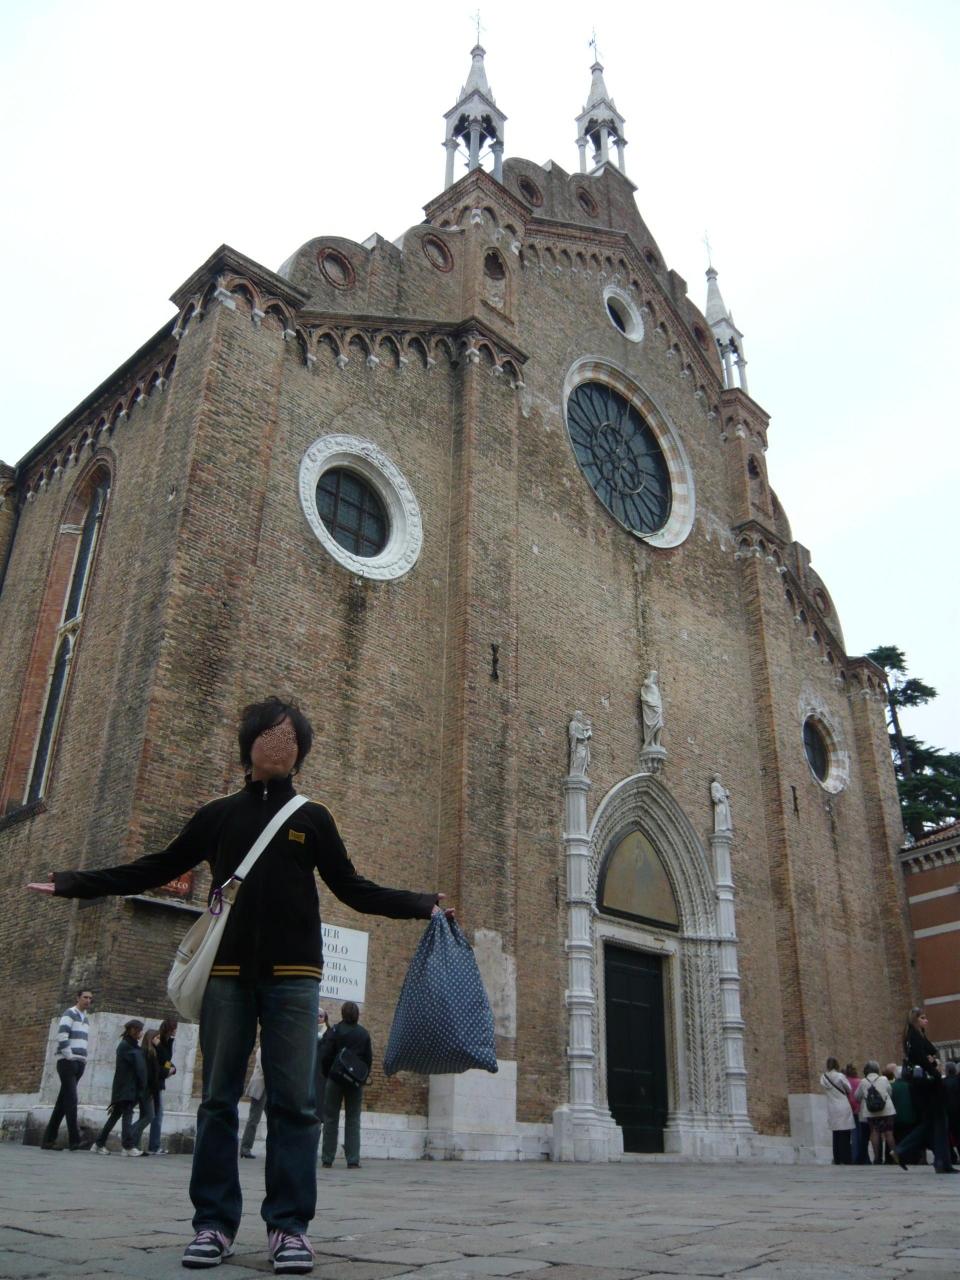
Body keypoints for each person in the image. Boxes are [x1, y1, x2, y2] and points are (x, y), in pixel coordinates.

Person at [28, 695, 448, 1274]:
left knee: (296, 1104)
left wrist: (422, 905)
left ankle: (289, 1228)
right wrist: (76, 883)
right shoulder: (219, 814)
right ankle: (214, 1224)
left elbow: (353, 888)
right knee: (219, 1100)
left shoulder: (313, 817)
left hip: (295, 978)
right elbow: (156, 867)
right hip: (225, 975)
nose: (281, 740)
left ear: (302, 750)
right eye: (270, 732)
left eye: (291, 735)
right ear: (248, 744)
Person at [894, 1007, 956, 1174]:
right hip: (929, 1086)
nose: (926, 1020)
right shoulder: (914, 1037)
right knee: (939, 1121)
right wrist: (935, 1069)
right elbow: (922, 1058)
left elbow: (930, 1053)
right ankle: (940, 1161)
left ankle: (940, 1161)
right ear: (915, 1020)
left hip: (925, 1086)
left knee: (933, 1123)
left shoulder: (916, 1035)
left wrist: (932, 1059)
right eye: (922, 1018)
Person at [319, 1002, 371, 1169]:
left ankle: (327, 1158)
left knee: (330, 1118)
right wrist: (361, 1078)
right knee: (353, 1119)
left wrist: (328, 1073)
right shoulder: (363, 1034)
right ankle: (353, 1159)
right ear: (357, 1015)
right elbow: (368, 1060)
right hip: (354, 1082)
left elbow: (325, 1055)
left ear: (342, 1013)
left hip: (335, 1079)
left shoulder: (335, 1030)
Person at [41, 987, 93, 1151]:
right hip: (67, 1062)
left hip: (80, 1062)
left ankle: (48, 1140)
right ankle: (74, 1140)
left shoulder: (86, 1018)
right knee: (71, 1100)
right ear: (78, 998)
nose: (88, 1000)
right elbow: (62, 1035)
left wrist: (83, 1059)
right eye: (85, 997)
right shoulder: (69, 1014)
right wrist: (69, 1055)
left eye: (90, 998)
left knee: (62, 1103)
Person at [92, 1020, 152, 1155]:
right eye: (139, 1030)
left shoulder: (131, 1046)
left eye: (141, 1030)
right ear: (132, 1030)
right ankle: (128, 1146)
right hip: (126, 1088)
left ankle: (98, 1143)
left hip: (126, 1087)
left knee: (115, 1116)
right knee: (127, 1114)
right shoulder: (127, 1046)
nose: (141, 1033)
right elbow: (139, 1067)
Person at [854, 1061, 895, 1167]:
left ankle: (877, 1158)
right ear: (877, 1070)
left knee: (874, 1132)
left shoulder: (863, 1082)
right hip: (886, 1110)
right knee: (889, 1133)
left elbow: (857, 1096)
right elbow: (890, 1092)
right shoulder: (884, 1079)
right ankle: (895, 1157)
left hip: (871, 1111)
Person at [148, 1018, 178, 1155]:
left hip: (158, 1082)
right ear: (170, 1029)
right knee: (155, 1115)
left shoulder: (166, 1042)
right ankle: (153, 1146)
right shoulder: (158, 1041)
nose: (176, 1031)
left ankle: (153, 1146)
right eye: (174, 1028)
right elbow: (163, 1059)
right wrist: (168, 1069)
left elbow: (167, 1060)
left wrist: (171, 1068)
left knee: (154, 1115)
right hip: (153, 1083)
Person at [820, 1056, 854, 1164]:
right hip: (843, 1105)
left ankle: (837, 1158)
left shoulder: (823, 1077)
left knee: (836, 1133)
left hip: (832, 1106)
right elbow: (849, 1089)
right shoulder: (840, 1076)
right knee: (845, 1133)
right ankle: (846, 1158)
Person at [139, 1029, 163, 1155]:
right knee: (149, 1116)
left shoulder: (155, 1052)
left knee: (147, 1116)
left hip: (152, 1088)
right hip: (148, 1089)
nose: (159, 1040)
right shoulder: (147, 1052)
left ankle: (135, 1144)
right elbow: (152, 1073)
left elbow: (167, 1062)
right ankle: (131, 1136)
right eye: (157, 1038)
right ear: (151, 1038)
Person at [240, 1046, 266, 1159]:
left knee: (275, 1120)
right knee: (254, 1119)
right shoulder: (262, 1050)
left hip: (268, 1088)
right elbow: (264, 1068)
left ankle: (275, 1149)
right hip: (260, 1087)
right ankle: (245, 1148)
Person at [844, 1062, 869, 1164]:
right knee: (861, 1135)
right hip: (859, 1110)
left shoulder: (845, 1081)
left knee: (854, 1135)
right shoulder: (860, 1081)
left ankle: (854, 1157)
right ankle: (863, 1158)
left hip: (849, 1110)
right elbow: (860, 1096)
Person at [313, 1010, 330, 1124]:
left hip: (322, 1069)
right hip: (311, 1066)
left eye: (321, 1016)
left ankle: (319, 1118)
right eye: (317, 1016)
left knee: (320, 1093)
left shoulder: (329, 1032)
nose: (319, 1018)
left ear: (325, 1018)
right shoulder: (309, 1030)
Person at [944, 1061, 960, 1164]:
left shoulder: (943, 1082)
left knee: (948, 1136)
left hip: (947, 1113)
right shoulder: (958, 1081)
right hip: (958, 1112)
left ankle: (952, 1157)